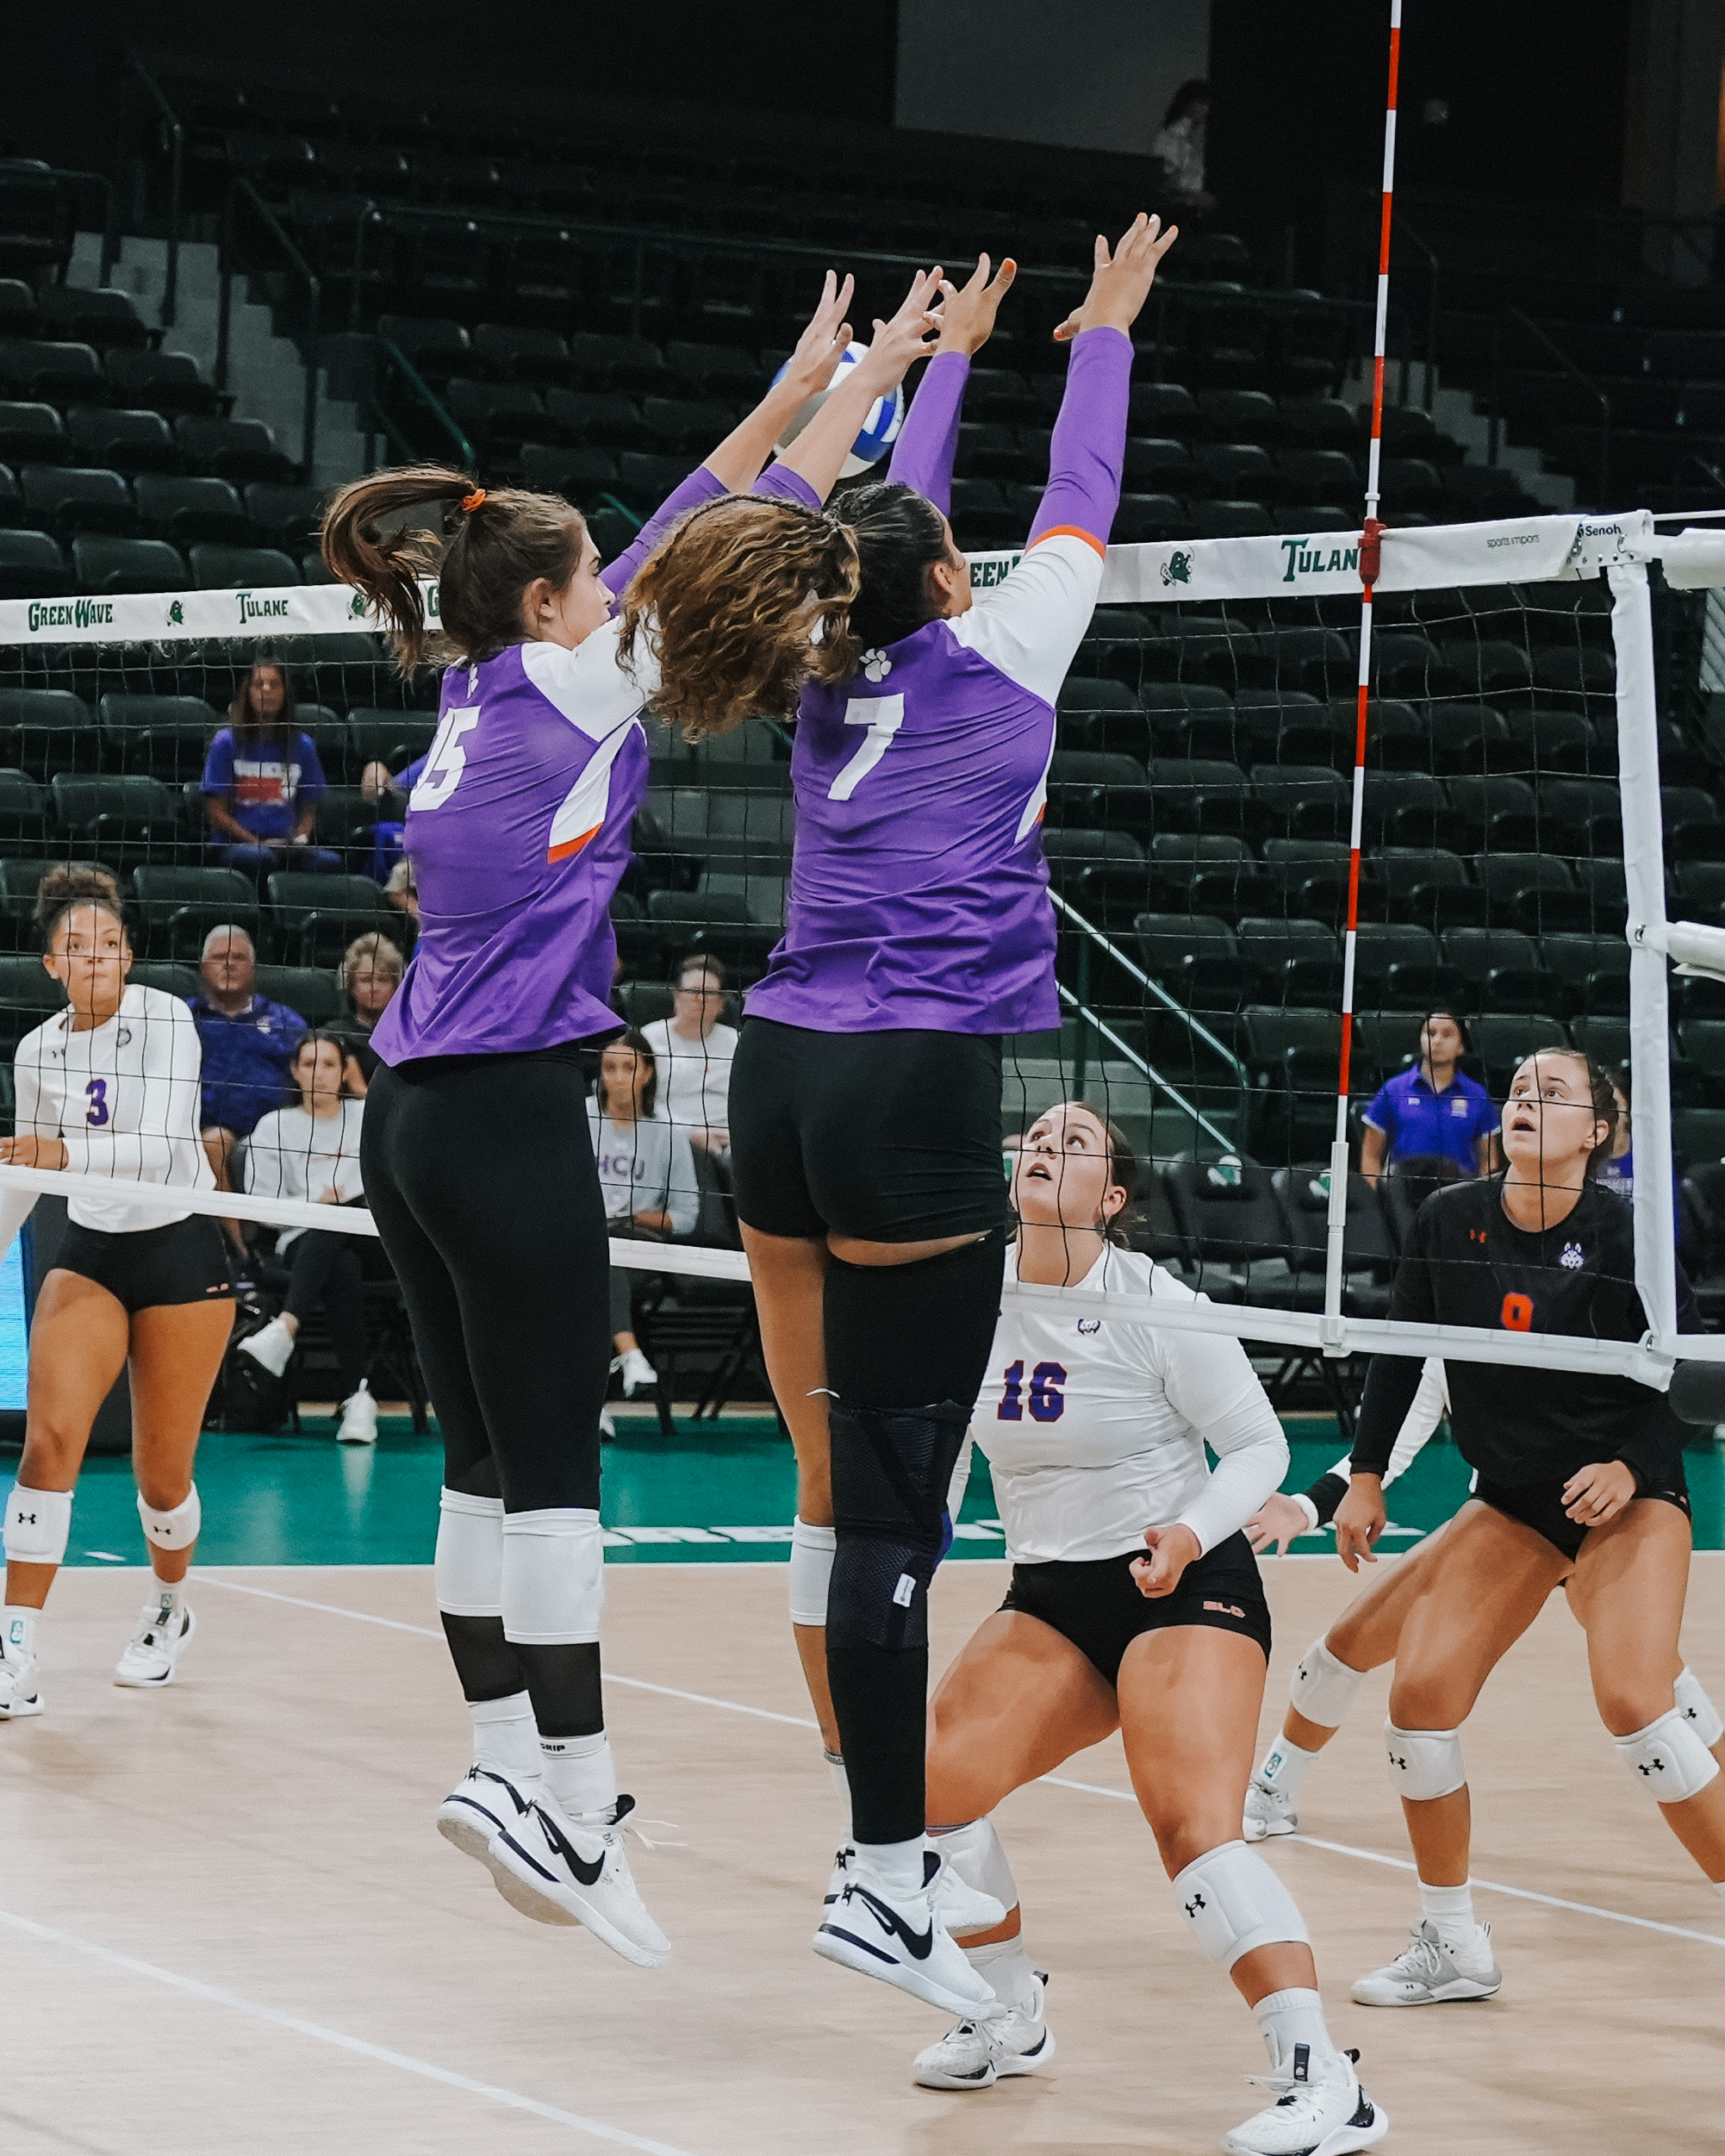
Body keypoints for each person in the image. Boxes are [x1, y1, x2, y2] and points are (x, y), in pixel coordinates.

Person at [317, 267, 931, 1971]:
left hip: (406, 1119)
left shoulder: (467, 686)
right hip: (507, 1115)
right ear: (548, 606)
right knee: (556, 1479)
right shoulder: (572, 689)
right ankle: (578, 1805)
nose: (620, 590)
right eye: (595, 580)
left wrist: (808, 372)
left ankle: (499, 1762)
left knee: (475, 1465)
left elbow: (688, 513)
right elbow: (749, 521)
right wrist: (866, 378)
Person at [620, 220, 1177, 2011]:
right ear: (946, 577)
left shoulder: (816, 654)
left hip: (777, 1071)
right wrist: (1100, 334)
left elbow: (877, 528)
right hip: (910, 1088)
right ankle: (883, 1872)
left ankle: (902, 1841)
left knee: (824, 1488)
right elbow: (1079, 493)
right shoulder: (1005, 646)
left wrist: (938, 369)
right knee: (892, 1515)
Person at [906, 1101, 1389, 2154]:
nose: (1047, 1146)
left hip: (1183, 1582)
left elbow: (1259, 1449)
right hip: (1052, 1595)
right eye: (1038, 1136)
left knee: (1192, 1829)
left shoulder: (1157, 1305)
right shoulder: (969, 1295)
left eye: (1074, 1142)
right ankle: (1007, 2013)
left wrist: (1189, 1530)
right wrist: (916, 1537)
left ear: (1112, 1197)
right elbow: (947, 1443)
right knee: (929, 1789)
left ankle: (1322, 2077)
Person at [1340, 1048, 1724, 2007]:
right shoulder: (1447, 1218)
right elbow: (1400, 1353)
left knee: (1635, 1703)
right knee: (1418, 1704)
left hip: (1627, 1494)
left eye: (1553, 1094)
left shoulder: (1629, 1232)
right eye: (1518, 1090)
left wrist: (1629, 1465)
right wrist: (1366, 1475)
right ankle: (1453, 1945)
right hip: (1514, 1500)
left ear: (1597, 1133)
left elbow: (1693, 1376)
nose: (1526, 1101)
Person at [1240, 1362, 1725, 1841]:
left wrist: (1631, 1466)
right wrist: (1308, 1507)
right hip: (1508, 1524)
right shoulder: (1444, 1337)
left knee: (1647, 1685)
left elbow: (1680, 1379)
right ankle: (1274, 1785)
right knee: (1342, 1650)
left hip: (1615, 1516)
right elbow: (1395, 1439)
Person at [0, 867, 234, 1714]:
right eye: (76, 946)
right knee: (48, 1444)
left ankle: (169, 1607)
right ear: (50, 965)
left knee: (161, 1478)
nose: (94, 956)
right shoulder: (38, 1049)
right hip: (91, 1251)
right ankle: (14, 1647)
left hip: (179, 1253)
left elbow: (162, 1143)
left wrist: (61, 1154)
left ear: (128, 956)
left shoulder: (164, 1018)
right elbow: (28, 1173)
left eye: (108, 943)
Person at [239, 1031, 375, 1445]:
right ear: (296, 1072)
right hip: (301, 1240)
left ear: (345, 1071)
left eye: (330, 1064)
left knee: (346, 1219)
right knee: (341, 1263)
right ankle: (358, 1398)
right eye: (310, 1064)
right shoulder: (275, 1126)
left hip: (372, 1237)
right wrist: (315, 1204)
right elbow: (261, 1207)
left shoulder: (368, 1116)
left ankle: (286, 1327)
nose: (320, 1073)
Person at [588, 1029, 697, 1401]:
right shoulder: (579, 1117)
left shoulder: (669, 1130)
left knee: (599, 1265)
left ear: (648, 1073)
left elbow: (687, 1216)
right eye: (610, 1068)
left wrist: (635, 1217)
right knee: (594, 1264)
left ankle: (594, 1404)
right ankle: (630, 1356)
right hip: (584, 1239)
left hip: (640, 1243)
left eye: (629, 1068)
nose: (618, 1078)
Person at [190, 924, 307, 1199]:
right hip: (202, 1134)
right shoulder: (183, 1015)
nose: (228, 964)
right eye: (219, 957)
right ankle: (235, 1228)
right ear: (203, 968)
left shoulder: (285, 1021)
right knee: (216, 1141)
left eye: (238, 957)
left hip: (275, 1135)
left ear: (254, 969)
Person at [200, 660, 340, 875]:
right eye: (259, 684)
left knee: (330, 862)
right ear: (247, 692)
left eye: (274, 684)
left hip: (285, 846)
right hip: (235, 844)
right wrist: (257, 843)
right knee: (260, 858)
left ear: (285, 694)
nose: (267, 689)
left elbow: (308, 811)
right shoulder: (225, 742)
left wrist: (300, 839)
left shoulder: (303, 746)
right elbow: (217, 815)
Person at [1360, 1011, 1497, 1184]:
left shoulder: (1478, 1096)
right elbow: (1370, 1155)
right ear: (1421, 1039)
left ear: (1461, 1046)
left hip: (1458, 1191)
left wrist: (1480, 1196)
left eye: (1447, 1034)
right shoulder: (1393, 1089)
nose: (1437, 1040)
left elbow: (1489, 1161)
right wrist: (1378, 1196)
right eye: (1430, 1033)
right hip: (1401, 1190)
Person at [639, 951, 737, 1156]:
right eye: (693, 991)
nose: (700, 999)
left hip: (731, 1142)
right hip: (670, 1139)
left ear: (721, 1003)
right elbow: (642, 1102)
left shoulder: (737, 1042)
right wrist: (689, 1132)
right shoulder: (649, 1039)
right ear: (676, 997)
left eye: (709, 993)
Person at [330, 930, 404, 1089]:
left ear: (396, 985)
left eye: (383, 980)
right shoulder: (333, 1035)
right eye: (366, 980)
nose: (374, 987)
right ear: (350, 984)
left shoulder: (407, 1033)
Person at [1152, 78, 1214, 215]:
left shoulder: (1199, 135)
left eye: (1207, 104)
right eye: (1201, 103)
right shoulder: (1171, 136)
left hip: (1194, 209)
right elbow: (1165, 184)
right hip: (1176, 211)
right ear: (1188, 104)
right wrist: (1195, 197)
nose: (1206, 109)